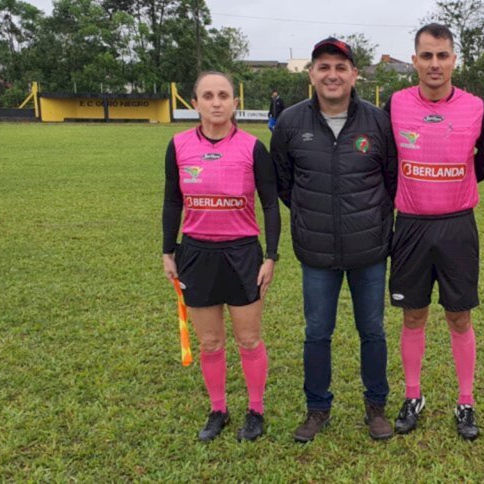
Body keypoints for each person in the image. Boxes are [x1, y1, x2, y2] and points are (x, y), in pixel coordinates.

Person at [271, 37, 398, 443]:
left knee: (373, 331)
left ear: (354, 75)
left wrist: (371, 220)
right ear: (311, 73)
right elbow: (284, 184)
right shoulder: (291, 123)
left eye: (341, 67)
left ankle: (376, 407)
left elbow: (391, 181)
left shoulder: (378, 121)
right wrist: (315, 217)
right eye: (324, 67)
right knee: (317, 332)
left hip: (370, 249)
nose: (332, 74)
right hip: (317, 251)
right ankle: (317, 409)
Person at [384, 23, 484, 441]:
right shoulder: (395, 104)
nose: (435, 64)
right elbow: (383, 157)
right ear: (414, 60)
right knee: (413, 315)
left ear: (454, 60)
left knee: (459, 316)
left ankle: (465, 401)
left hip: (457, 226)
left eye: (443, 55)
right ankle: (413, 396)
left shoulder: (475, 107)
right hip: (411, 226)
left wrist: (464, 177)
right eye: (427, 56)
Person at [161, 71, 279, 443]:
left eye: (223, 95)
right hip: (196, 253)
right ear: (194, 103)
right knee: (210, 342)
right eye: (208, 95)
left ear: (234, 103)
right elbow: (172, 201)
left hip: (242, 253)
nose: (216, 102)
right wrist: (168, 250)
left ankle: (255, 410)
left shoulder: (253, 148)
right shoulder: (178, 146)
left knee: (248, 339)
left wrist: (271, 256)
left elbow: (270, 205)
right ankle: (218, 409)